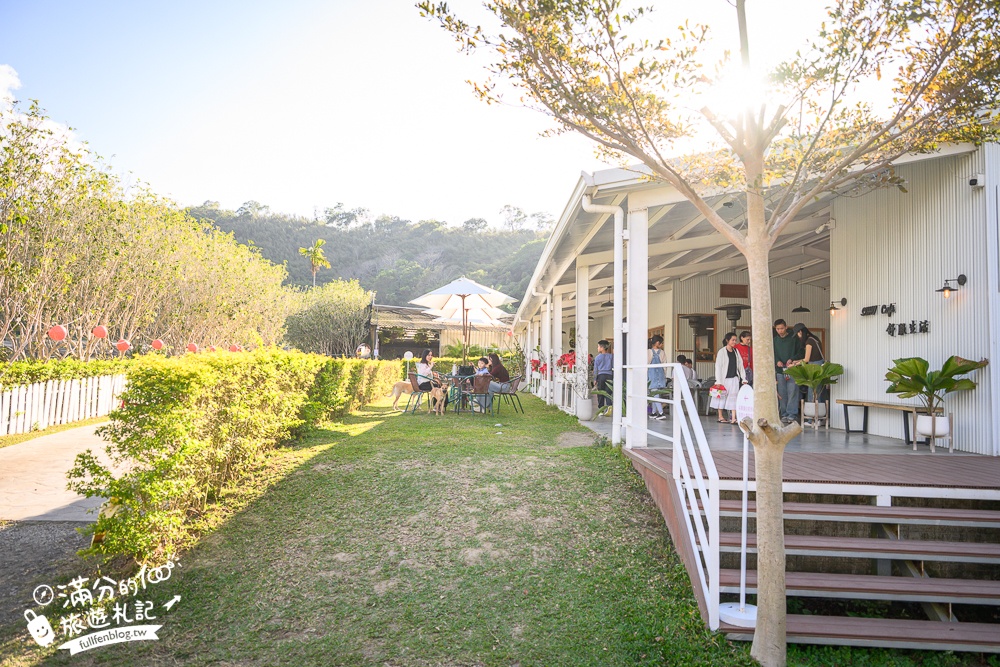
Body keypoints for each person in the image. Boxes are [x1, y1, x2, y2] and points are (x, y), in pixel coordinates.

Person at [712, 332, 748, 423]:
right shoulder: (722, 352)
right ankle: (720, 417)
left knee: (734, 397)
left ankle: (733, 418)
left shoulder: (736, 351)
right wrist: (718, 380)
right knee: (721, 397)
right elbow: (718, 367)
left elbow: (740, 366)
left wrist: (743, 378)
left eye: (735, 340)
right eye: (733, 340)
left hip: (734, 378)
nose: (734, 342)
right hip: (724, 379)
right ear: (727, 340)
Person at [773, 319, 804, 423]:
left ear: (786, 327)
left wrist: (792, 359)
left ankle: (792, 414)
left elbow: (801, 352)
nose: (780, 331)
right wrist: (777, 361)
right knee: (782, 393)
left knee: (793, 391)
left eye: (782, 328)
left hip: (792, 369)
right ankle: (784, 413)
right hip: (780, 370)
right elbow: (773, 353)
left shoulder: (794, 338)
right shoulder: (775, 340)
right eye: (777, 329)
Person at [793, 323, 826, 404]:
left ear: (800, 332)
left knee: (812, 391)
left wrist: (794, 365)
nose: (798, 336)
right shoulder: (815, 338)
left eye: (797, 333)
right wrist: (797, 361)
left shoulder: (809, 341)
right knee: (818, 392)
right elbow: (811, 357)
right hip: (819, 366)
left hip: (814, 367)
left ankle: (812, 414)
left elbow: (807, 359)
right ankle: (818, 413)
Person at [647, 335, 668, 420]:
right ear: (657, 343)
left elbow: (646, 364)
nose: (662, 345)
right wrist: (664, 375)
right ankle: (653, 413)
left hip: (651, 375)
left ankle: (661, 412)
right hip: (660, 375)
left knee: (654, 393)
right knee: (656, 394)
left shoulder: (648, 352)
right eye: (661, 343)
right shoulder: (662, 352)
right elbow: (665, 365)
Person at [593, 340, 614, 412]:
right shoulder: (611, 357)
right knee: (609, 392)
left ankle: (601, 409)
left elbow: (595, 369)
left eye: (598, 346)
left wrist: (595, 379)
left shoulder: (597, 358)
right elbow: (613, 367)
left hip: (601, 376)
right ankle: (609, 406)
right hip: (609, 375)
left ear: (602, 347)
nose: (597, 348)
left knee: (601, 392)